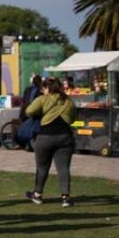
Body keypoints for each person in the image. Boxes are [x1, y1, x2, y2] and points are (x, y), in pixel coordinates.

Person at [24, 77, 77, 207]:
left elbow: (29, 111)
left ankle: (37, 194)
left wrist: (41, 113)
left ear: (48, 88)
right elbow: (73, 118)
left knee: (42, 168)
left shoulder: (42, 99)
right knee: (63, 168)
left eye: (44, 87)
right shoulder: (68, 100)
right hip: (65, 137)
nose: (42, 90)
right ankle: (65, 197)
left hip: (45, 137)